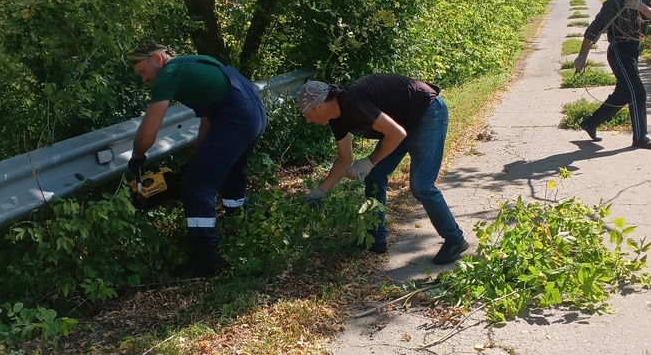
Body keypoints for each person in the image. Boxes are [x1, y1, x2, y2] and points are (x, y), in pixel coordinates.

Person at [296, 74, 469, 264]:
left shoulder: (353, 102)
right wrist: (320, 192)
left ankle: (455, 240)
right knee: (375, 176)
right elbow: (345, 159)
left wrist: (370, 161)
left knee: (422, 185)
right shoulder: (337, 118)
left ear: (319, 106)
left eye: (307, 114)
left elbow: (396, 133)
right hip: (402, 125)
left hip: (426, 113)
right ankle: (375, 239)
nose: (308, 120)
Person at [128, 42, 266, 276]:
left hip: (236, 118)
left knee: (196, 186)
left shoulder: (169, 73)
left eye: (143, 72)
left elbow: (149, 131)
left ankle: (206, 258)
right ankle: (242, 227)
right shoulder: (196, 61)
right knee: (230, 174)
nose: (144, 79)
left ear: (158, 59)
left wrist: (137, 156)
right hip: (254, 115)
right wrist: (196, 160)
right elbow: (207, 120)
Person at [574, 0, 651, 149]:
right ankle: (640, 137)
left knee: (623, 94)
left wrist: (641, 7)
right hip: (619, 52)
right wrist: (582, 55)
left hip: (634, 50)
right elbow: (594, 30)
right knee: (637, 91)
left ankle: (590, 123)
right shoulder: (614, 3)